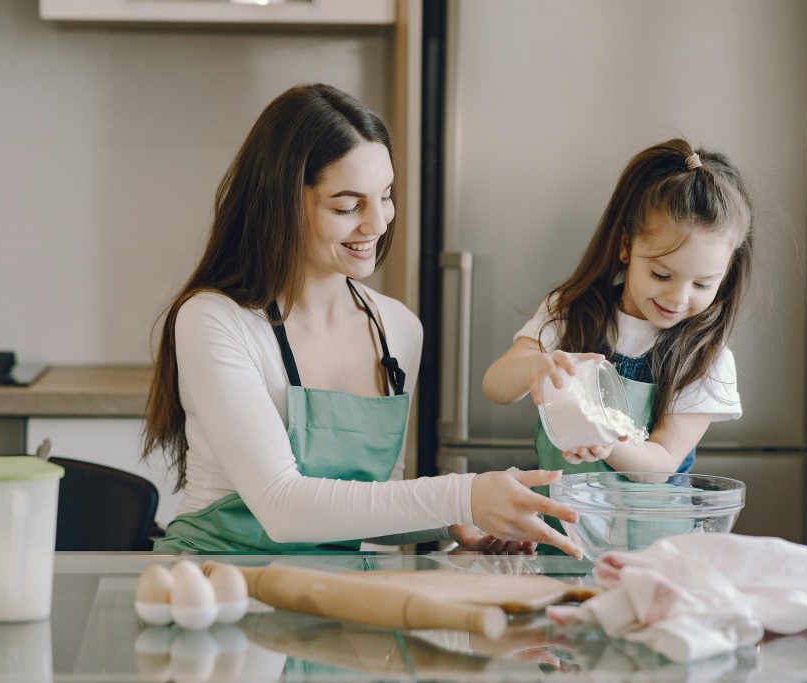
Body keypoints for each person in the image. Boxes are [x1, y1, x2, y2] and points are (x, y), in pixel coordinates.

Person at [143, 83, 583, 557]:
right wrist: (463, 495)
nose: (377, 224)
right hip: (214, 588)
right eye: (348, 206)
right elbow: (282, 506)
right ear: (283, 202)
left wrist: (459, 520)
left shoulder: (397, 330)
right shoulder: (214, 320)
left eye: (386, 196)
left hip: (327, 597)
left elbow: (367, 507)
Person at [483, 138, 752, 534]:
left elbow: (660, 466)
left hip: (650, 549)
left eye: (703, 283)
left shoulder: (706, 358)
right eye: (661, 274)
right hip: (560, 537)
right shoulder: (570, 312)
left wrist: (607, 442)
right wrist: (533, 369)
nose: (678, 298)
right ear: (626, 246)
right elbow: (495, 387)